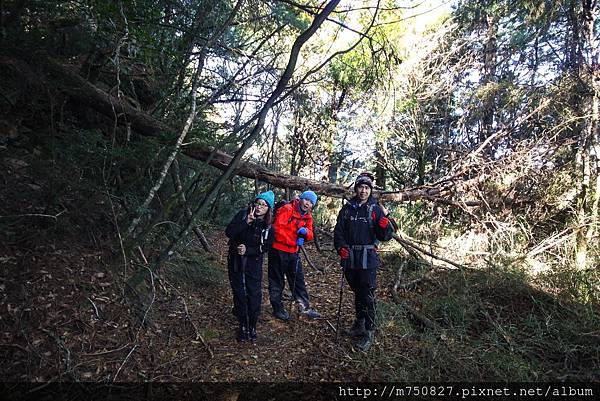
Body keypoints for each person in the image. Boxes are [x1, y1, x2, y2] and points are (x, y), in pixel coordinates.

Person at [334, 172, 394, 351]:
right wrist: (341, 248)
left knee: (367, 294)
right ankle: (359, 323)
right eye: (361, 187)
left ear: (371, 190)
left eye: (367, 188)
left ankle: (369, 331)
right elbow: (339, 231)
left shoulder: (375, 209)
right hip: (350, 257)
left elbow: (385, 236)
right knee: (357, 292)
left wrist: (385, 227)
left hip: (368, 258)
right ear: (356, 188)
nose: (363, 191)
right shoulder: (347, 209)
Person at [225, 190, 275, 342]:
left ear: (268, 209)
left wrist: (249, 251)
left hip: (254, 263)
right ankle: (243, 325)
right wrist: (246, 221)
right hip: (236, 261)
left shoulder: (268, 227)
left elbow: (266, 246)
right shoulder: (243, 215)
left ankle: (252, 324)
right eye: (258, 203)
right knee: (239, 292)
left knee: (254, 293)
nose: (259, 207)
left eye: (264, 205)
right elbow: (229, 232)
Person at [268, 190, 321, 321]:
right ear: (301, 199)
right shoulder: (287, 209)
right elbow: (277, 230)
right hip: (278, 250)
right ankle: (277, 308)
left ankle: (305, 308)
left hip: (293, 252)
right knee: (277, 280)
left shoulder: (308, 216)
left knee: (298, 280)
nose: (307, 204)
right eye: (306, 200)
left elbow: (310, 234)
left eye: (310, 202)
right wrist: (294, 239)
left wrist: (305, 233)